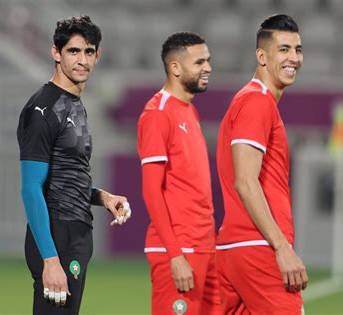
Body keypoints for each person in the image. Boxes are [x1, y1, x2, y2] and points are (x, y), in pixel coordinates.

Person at [17, 15, 131, 315]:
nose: (82, 60)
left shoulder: (74, 103)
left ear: (98, 55)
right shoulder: (43, 110)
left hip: (75, 234)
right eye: (73, 51)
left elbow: (65, 175)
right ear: (56, 53)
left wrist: (103, 197)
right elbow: (31, 189)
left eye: (88, 51)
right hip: (58, 236)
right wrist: (50, 260)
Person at [215, 14, 308, 314]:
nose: (293, 57)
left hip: (237, 249)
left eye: (298, 49)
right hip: (258, 249)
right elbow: (245, 180)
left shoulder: (251, 101)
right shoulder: (257, 101)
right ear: (261, 56)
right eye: (283, 49)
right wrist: (282, 247)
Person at [137, 32, 221, 315]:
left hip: (205, 248)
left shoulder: (189, 112)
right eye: (199, 62)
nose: (208, 67)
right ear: (175, 67)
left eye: (208, 60)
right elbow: (151, 190)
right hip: (179, 250)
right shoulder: (157, 113)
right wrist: (175, 254)